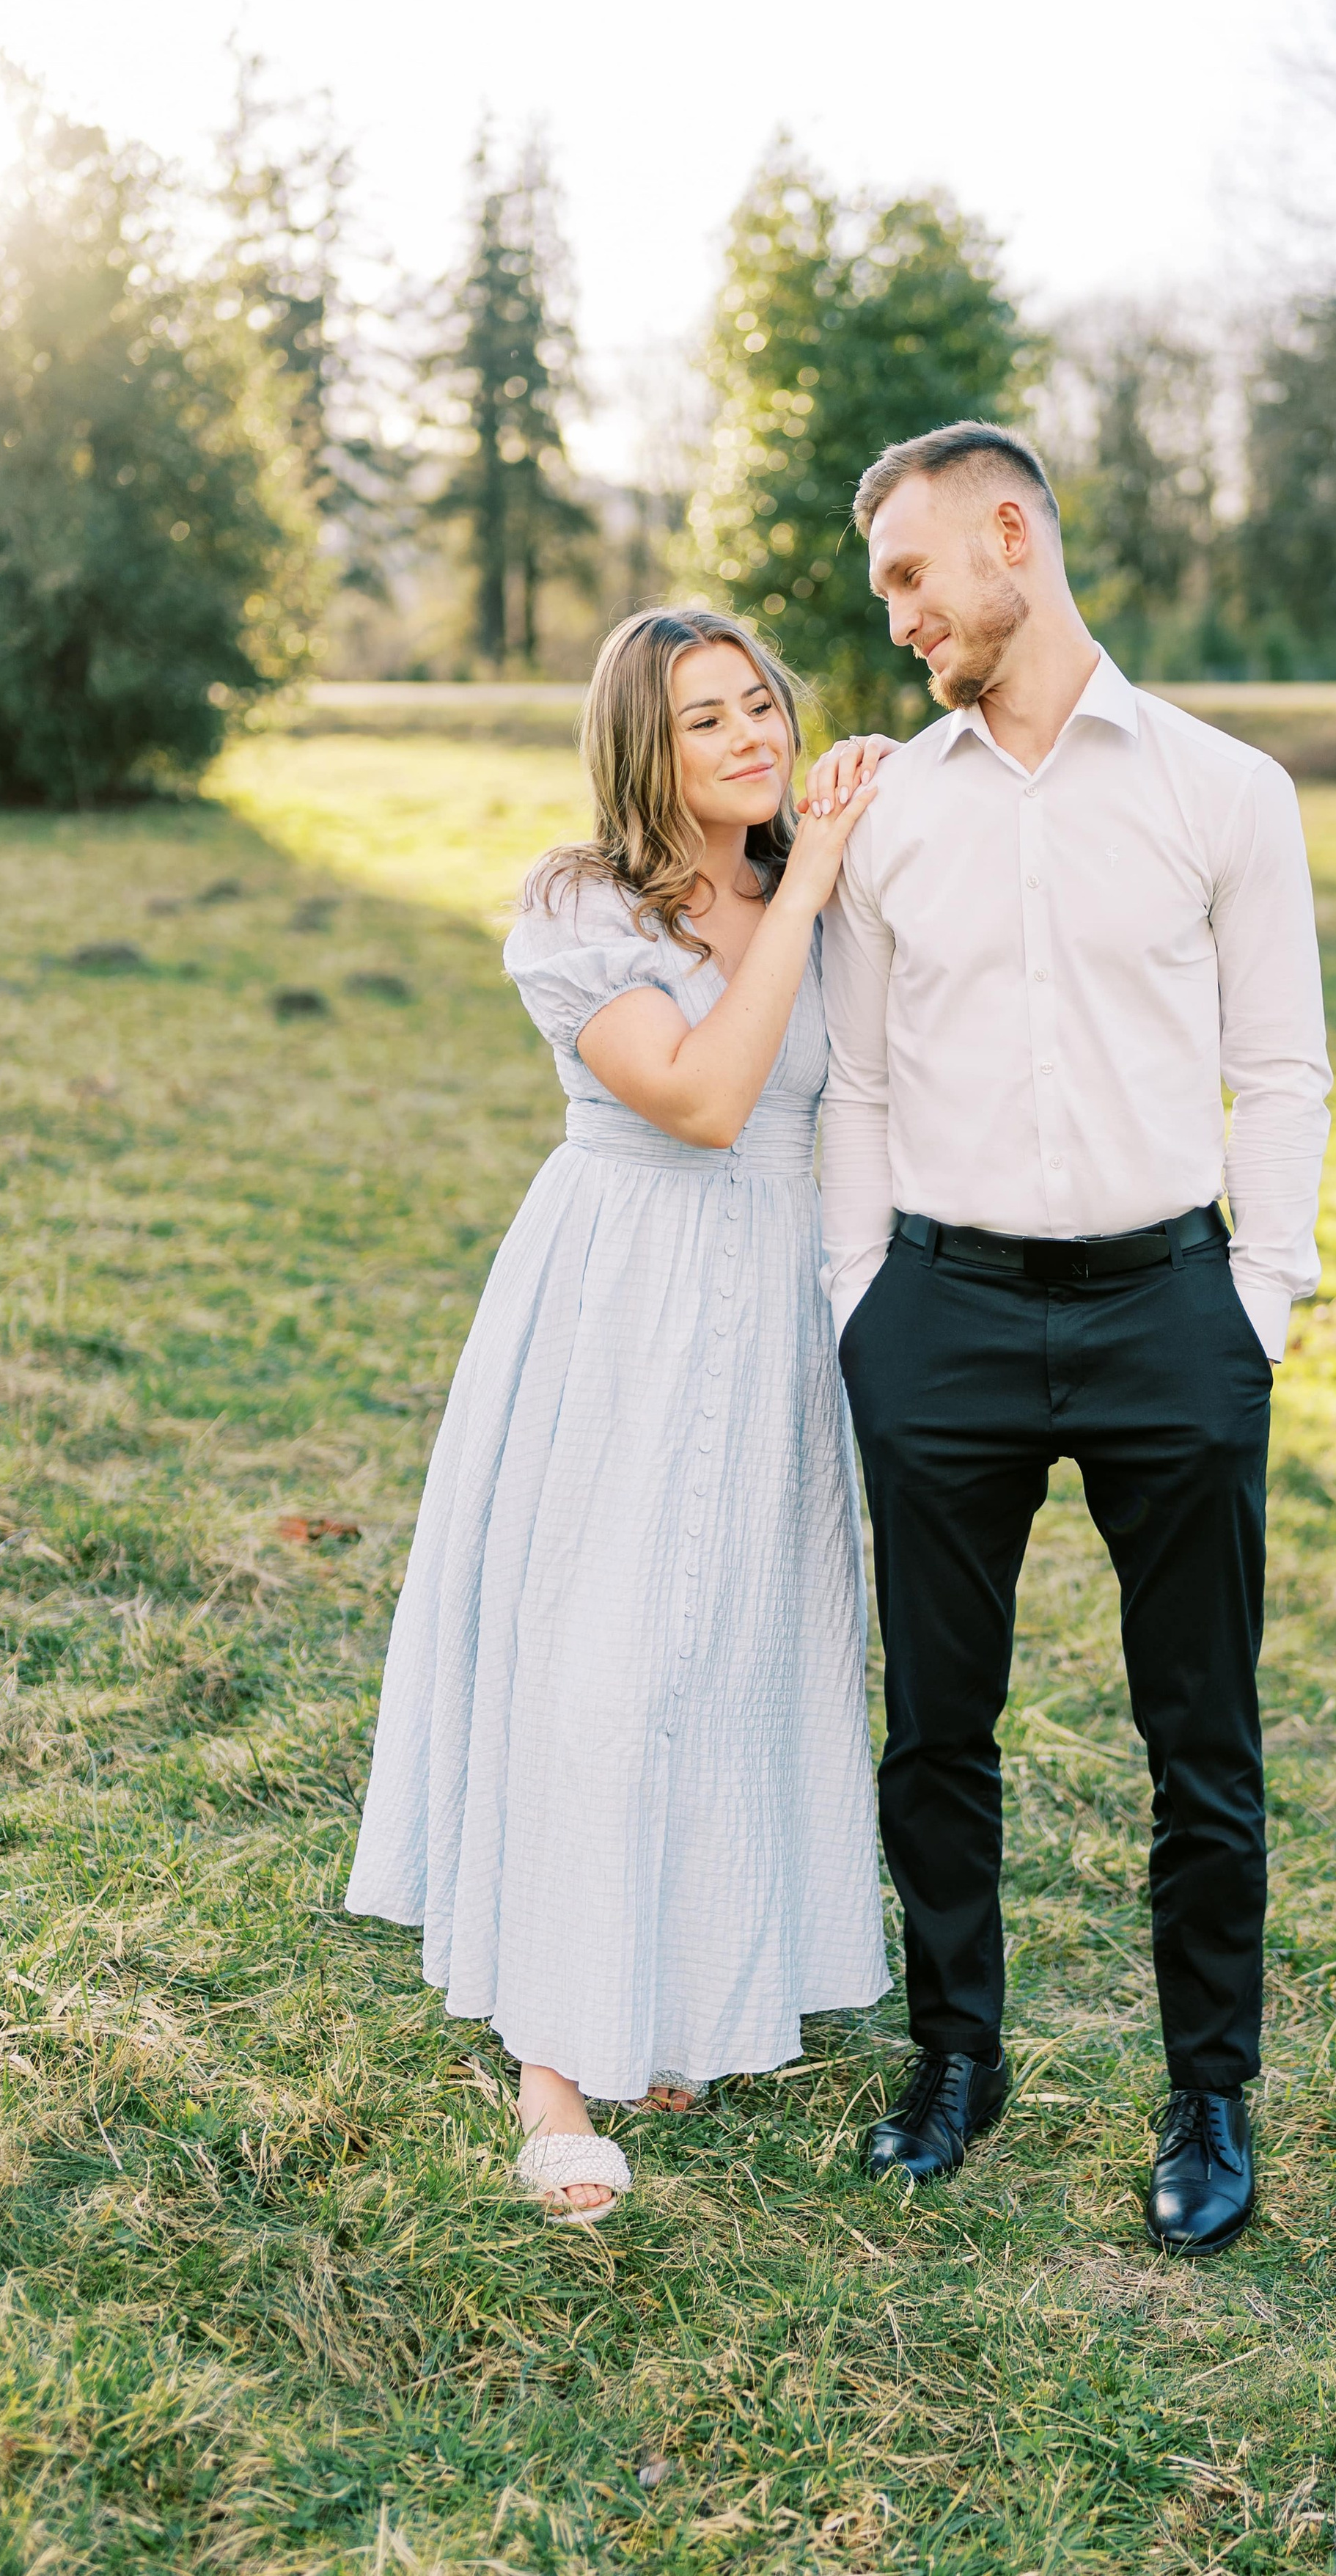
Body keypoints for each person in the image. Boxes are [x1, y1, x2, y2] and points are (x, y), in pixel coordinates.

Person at [819, 423, 1331, 2256]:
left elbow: (1277, 1068)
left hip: (1166, 1316)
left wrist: (1251, 1307)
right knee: (933, 1730)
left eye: (908, 575)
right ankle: (955, 2057)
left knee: (1199, 1734)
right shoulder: (888, 809)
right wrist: (859, 1305)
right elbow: (858, 1080)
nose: (893, 618)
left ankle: (1209, 2087)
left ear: (1011, 538)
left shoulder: (1222, 790)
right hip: (938, 1320)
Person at [345, 607, 890, 2220]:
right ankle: (553, 2065)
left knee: (732, 1638)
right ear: (640, 750)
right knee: (601, 1649)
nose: (748, 738)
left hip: (781, 1304)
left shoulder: (814, 880)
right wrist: (806, 883)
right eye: (703, 719)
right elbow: (708, 1099)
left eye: (760, 706)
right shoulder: (580, 907)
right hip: (624, 1295)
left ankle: (680, 1995)